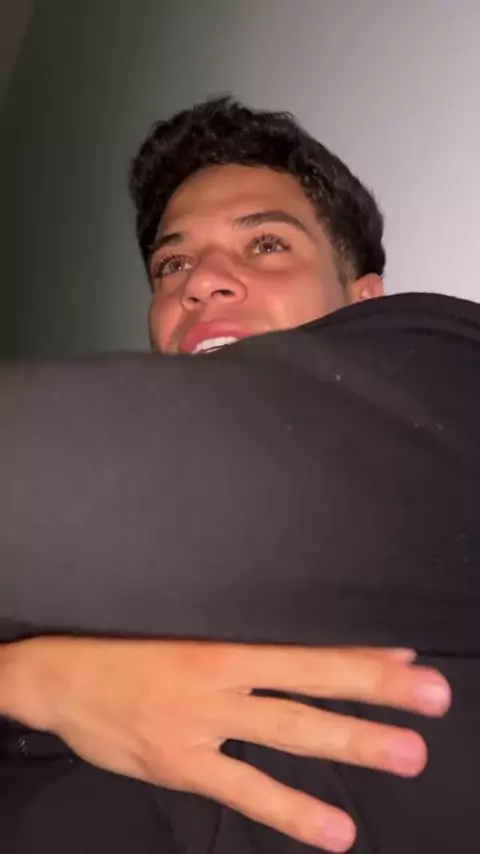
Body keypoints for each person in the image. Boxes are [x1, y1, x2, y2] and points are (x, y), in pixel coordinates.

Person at [0, 96, 478, 854]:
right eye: (173, 263)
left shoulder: (447, 380)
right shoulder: (82, 593)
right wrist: (36, 684)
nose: (202, 281)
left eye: (266, 244)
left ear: (363, 298)